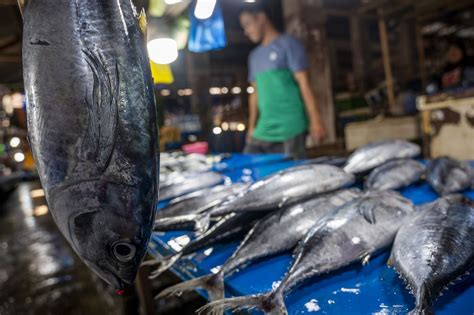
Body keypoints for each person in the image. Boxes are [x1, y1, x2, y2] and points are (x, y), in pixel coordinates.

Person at [239, 5, 326, 159]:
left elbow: (304, 83)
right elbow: (255, 94)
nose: (246, 31)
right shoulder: (254, 56)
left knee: (290, 173)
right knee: (248, 165)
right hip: (264, 128)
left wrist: (316, 121)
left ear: (261, 17)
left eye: (248, 24)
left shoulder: (289, 44)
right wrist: (251, 127)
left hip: (290, 125)